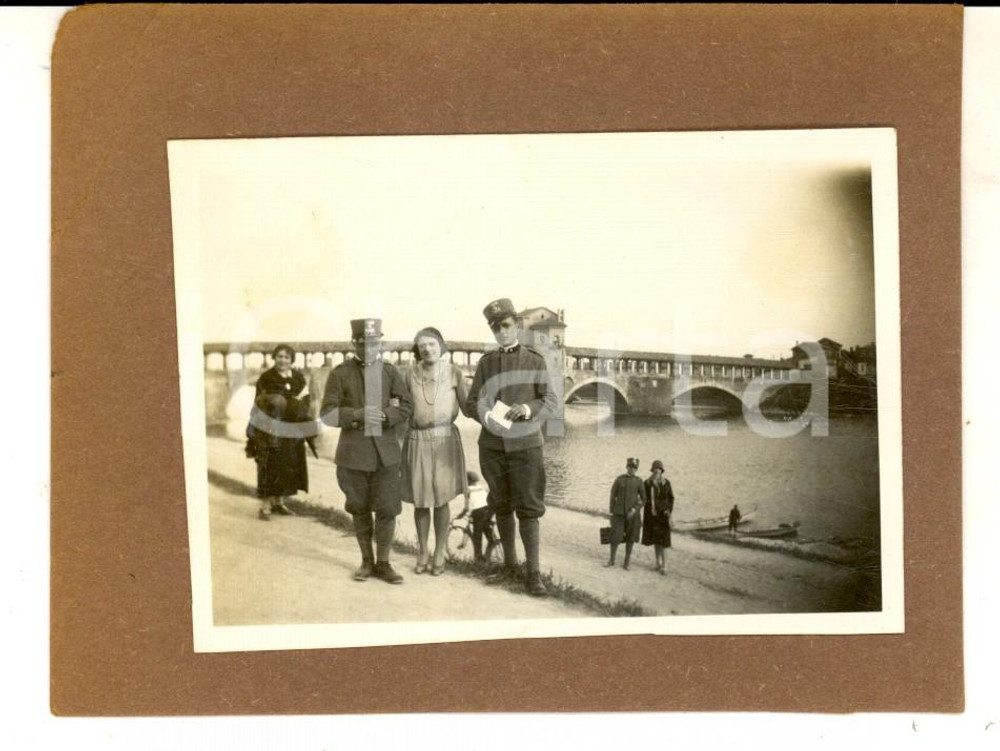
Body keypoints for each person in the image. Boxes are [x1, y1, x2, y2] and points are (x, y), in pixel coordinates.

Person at [466, 297, 557, 597]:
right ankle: (509, 565)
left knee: (529, 508)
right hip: (492, 446)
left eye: (505, 325)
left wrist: (528, 409)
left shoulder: (534, 360)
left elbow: (550, 401)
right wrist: (485, 413)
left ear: (516, 324)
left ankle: (534, 574)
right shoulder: (486, 363)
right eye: (495, 328)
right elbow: (471, 403)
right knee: (501, 504)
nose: (501, 332)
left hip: (527, 446)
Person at [321, 318, 413, 584]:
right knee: (359, 508)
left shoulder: (390, 372)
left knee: (387, 508)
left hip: (386, 454)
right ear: (355, 343)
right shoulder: (340, 373)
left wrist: (386, 416)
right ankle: (366, 561)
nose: (369, 348)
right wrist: (357, 414)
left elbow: (406, 406)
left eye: (374, 342)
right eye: (363, 343)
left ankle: (383, 563)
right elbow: (327, 414)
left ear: (380, 343)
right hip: (353, 455)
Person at [400, 326, 470, 576]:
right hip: (417, 438)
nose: (428, 349)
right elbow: (399, 409)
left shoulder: (454, 373)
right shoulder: (408, 375)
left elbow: (469, 407)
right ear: (417, 351)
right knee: (420, 501)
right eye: (422, 346)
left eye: (432, 344)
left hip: (444, 440)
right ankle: (423, 551)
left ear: (442, 346)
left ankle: (440, 551)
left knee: (440, 500)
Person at [246, 344, 311, 521]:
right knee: (269, 463)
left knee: (287, 464)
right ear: (274, 358)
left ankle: (279, 502)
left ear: (292, 360)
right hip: (270, 429)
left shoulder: (298, 378)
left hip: (292, 427)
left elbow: (305, 400)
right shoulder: (266, 378)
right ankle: (265, 505)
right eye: (280, 357)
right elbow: (260, 402)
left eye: (287, 357)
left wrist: (299, 409)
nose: (283, 360)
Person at [605, 457, 646, 570]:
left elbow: (643, 499)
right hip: (618, 513)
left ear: (636, 469)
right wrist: (611, 512)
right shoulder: (619, 479)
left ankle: (626, 563)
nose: (632, 469)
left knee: (631, 537)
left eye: (634, 467)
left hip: (633, 515)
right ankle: (611, 560)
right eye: (630, 467)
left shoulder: (639, 481)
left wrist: (635, 509)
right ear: (626, 467)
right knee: (615, 537)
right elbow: (613, 495)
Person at [642, 459, 674, 574]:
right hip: (652, 517)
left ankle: (665, 566)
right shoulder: (647, 483)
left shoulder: (666, 483)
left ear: (661, 471)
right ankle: (658, 563)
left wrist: (668, 511)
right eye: (655, 469)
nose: (657, 471)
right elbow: (643, 498)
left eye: (659, 469)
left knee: (665, 542)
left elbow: (671, 499)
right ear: (652, 470)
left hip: (664, 516)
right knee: (656, 541)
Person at [457, 470, 496, 566]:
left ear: (467, 481)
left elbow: (466, 508)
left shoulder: (467, 490)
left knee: (477, 535)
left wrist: (460, 515)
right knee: (486, 529)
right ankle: (489, 551)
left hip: (479, 511)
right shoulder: (482, 487)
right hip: (489, 509)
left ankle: (478, 559)